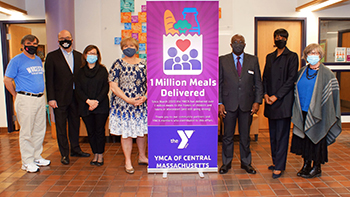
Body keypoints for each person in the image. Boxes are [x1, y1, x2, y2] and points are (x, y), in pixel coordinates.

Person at [291, 43, 341, 178]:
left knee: (317, 139)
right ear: (306, 56)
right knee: (305, 140)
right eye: (310, 53)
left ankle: (317, 167)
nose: (313, 56)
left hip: (320, 113)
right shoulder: (301, 72)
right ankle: (306, 164)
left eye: (316, 53)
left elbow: (333, 95)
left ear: (320, 55)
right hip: (302, 111)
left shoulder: (327, 74)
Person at [3, 34, 50, 172]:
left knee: (39, 129)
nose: (33, 46)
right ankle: (27, 161)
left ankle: (36, 156)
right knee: (26, 131)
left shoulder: (37, 60)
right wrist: (15, 95)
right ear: (24, 45)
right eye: (30, 43)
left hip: (40, 98)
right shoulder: (16, 60)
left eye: (36, 44)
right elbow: (7, 80)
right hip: (25, 99)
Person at [218, 34, 263, 174]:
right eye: (235, 42)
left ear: (245, 44)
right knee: (227, 136)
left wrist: (257, 102)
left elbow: (258, 82)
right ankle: (226, 163)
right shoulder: (222, 60)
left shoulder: (253, 60)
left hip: (247, 105)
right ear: (231, 45)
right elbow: (218, 83)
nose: (238, 44)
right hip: (228, 104)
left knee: (245, 136)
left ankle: (246, 163)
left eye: (241, 42)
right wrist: (220, 102)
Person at [45, 30, 90, 165]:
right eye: (62, 38)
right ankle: (64, 154)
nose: (65, 40)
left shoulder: (79, 56)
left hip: (76, 98)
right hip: (59, 99)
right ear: (58, 41)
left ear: (72, 39)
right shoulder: (52, 57)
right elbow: (49, 79)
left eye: (67, 38)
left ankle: (75, 149)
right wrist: (51, 98)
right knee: (60, 127)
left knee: (75, 125)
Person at [262, 28, 299, 178]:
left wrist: (276, 96)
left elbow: (291, 80)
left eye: (282, 37)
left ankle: (280, 166)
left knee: (282, 135)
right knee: (272, 135)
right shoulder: (269, 56)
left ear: (286, 39)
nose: (279, 39)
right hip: (269, 101)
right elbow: (264, 77)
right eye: (277, 37)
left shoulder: (292, 56)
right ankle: (275, 161)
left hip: (282, 101)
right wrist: (265, 94)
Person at [109, 37, 148, 174]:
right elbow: (113, 85)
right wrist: (127, 99)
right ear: (122, 48)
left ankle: (142, 157)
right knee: (126, 133)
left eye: (131, 45)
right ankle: (128, 161)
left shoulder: (144, 63)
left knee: (141, 132)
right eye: (125, 46)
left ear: (137, 48)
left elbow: (152, 83)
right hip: (123, 105)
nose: (128, 48)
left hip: (140, 104)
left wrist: (145, 96)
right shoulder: (117, 64)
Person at [76, 45, 109, 166]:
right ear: (85, 55)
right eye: (89, 53)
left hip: (101, 105)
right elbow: (78, 89)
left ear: (98, 56)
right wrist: (88, 101)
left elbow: (106, 87)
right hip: (86, 106)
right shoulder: (80, 72)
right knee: (91, 132)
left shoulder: (102, 70)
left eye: (94, 53)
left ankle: (100, 155)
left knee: (99, 131)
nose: (92, 56)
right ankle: (95, 154)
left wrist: (96, 102)